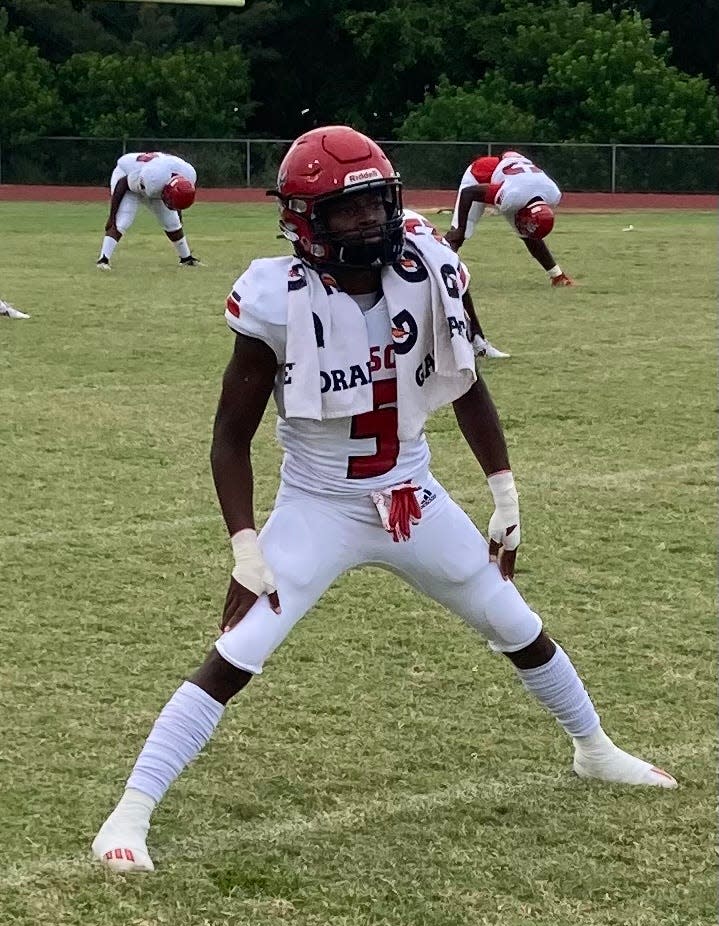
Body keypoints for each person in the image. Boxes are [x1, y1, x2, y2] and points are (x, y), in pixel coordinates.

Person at [92, 126, 676, 874]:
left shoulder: (428, 263)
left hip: (413, 493)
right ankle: (129, 811)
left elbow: (466, 377)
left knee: (515, 621)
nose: (369, 222)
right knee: (237, 653)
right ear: (305, 218)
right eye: (347, 211)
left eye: (376, 204)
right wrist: (244, 542)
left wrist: (502, 488)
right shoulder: (275, 297)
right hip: (319, 504)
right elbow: (228, 438)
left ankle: (594, 749)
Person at [445, 151, 574, 287]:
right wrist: (460, 228)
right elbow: (469, 193)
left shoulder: (553, 195)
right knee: (460, 233)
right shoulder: (512, 197)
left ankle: (557, 276)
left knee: (529, 236)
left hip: (512, 179)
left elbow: (510, 154)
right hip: (481, 174)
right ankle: (436, 268)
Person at [96, 151, 201, 270]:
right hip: (127, 176)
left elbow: (178, 196)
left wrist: (177, 209)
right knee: (122, 220)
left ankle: (186, 259)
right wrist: (112, 216)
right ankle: (103, 259)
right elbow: (123, 183)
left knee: (172, 222)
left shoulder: (188, 176)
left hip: (153, 178)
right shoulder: (154, 180)